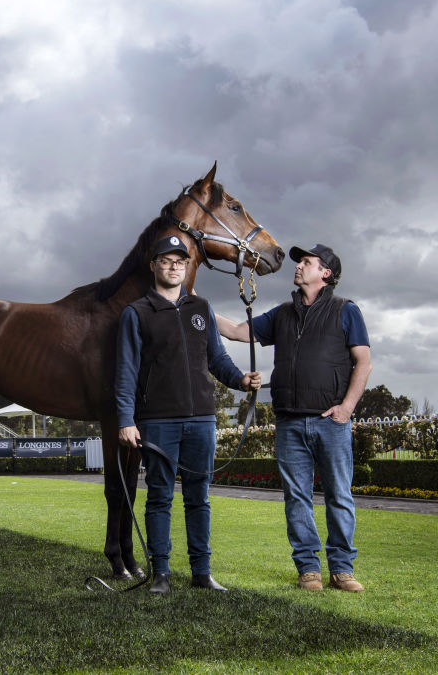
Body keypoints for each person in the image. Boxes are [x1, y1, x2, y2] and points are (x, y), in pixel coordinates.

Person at [219, 243, 371, 592]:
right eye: (299, 262)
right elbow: (237, 331)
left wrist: (346, 408)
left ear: (326, 273)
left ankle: (342, 569)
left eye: (307, 262)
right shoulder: (282, 313)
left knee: (339, 495)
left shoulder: (346, 311)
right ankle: (308, 570)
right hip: (289, 421)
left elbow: (363, 361)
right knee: (296, 497)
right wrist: (194, 300)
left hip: (330, 421)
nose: (298, 267)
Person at [116, 235, 262, 596]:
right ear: (154, 267)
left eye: (179, 262)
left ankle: (202, 572)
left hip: (201, 419)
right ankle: (161, 574)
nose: (173, 267)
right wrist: (125, 419)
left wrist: (241, 380)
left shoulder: (202, 308)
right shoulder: (136, 313)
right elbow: (125, 372)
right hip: (157, 420)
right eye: (165, 261)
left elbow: (217, 358)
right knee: (160, 497)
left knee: (200, 497)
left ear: (186, 266)